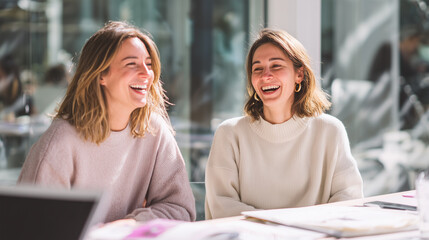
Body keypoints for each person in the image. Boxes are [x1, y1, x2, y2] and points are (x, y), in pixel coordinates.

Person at [18, 21, 196, 223]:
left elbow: (181, 208)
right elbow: (35, 224)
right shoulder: (60, 143)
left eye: (148, 63)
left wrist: (128, 226)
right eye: (132, 64)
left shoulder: (154, 130)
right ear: (101, 74)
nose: (147, 73)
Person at [205, 28, 364, 219]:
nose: (265, 76)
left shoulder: (330, 131)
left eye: (276, 66)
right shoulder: (230, 134)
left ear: (299, 75)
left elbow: (349, 200)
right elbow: (222, 206)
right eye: (257, 69)